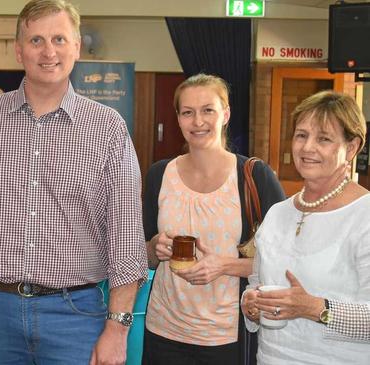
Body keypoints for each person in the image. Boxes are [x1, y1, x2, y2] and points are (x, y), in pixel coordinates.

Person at [0, 1, 148, 364]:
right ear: (19, 50)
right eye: (36, 40)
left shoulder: (108, 128)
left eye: (59, 38)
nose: (48, 51)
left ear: (77, 47)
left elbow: (126, 237)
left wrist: (117, 328)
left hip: (75, 316)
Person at [141, 73, 285, 365]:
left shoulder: (254, 177)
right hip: (163, 330)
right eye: (188, 112)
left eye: (208, 110)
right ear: (178, 118)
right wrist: (155, 247)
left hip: (225, 337)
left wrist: (225, 266)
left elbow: (285, 260)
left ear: (226, 114)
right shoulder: (160, 174)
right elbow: (143, 255)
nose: (198, 122)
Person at [241, 90, 370, 364]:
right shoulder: (277, 213)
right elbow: (256, 283)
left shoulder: (364, 215)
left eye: (323, 138)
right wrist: (250, 304)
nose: (307, 147)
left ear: (351, 147)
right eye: (301, 135)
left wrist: (315, 308)